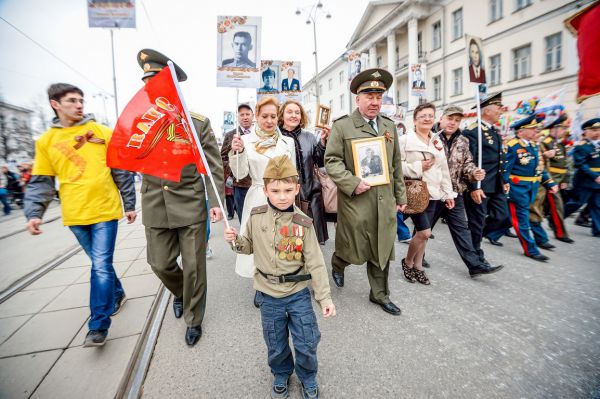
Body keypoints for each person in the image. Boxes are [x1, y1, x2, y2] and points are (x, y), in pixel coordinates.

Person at [24, 83, 136, 347]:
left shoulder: (102, 132)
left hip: (104, 210)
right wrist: (34, 212)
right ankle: (116, 293)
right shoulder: (46, 141)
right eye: (72, 101)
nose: (79, 105)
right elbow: (41, 181)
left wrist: (129, 203)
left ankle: (98, 325)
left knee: (99, 265)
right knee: (101, 265)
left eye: (81, 100)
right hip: (74, 215)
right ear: (55, 104)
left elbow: (121, 172)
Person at [224, 155, 335, 399]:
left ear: (297, 189)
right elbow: (247, 246)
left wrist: (324, 299)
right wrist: (235, 242)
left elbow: (315, 263)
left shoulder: (303, 223)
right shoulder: (256, 215)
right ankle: (281, 372)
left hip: (297, 294)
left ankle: (307, 376)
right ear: (265, 190)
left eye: (287, 190)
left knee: (306, 341)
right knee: (275, 341)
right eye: (275, 190)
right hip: (268, 294)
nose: (282, 196)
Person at [136, 49, 224, 346]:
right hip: (154, 203)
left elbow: (213, 166)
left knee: (195, 266)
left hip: (189, 201)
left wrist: (215, 203)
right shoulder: (137, 122)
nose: (151, 86)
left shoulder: (195, 122)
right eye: (147, 81)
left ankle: (193, 318)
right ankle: (182, 293)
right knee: (160, 264)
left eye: (157, 80)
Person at [325, 68, 407, 316]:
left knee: (381, 245)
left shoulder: (388, 126)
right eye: (369, 96)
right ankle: (339, 263)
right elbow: (332, 161)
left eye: (379, 97)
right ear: (357, 98)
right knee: (353, 246)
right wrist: (351, 182)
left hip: (383, 199)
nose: (374, 102)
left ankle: (380, 294)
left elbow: (395, 165)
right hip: (356, 199)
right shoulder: (343, 126)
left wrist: (401, 196)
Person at [431, 105, 503, 277]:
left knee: (462, 229)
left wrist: (474, 172)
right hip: (433, 192)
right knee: (424, 230)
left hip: (455, 192)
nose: (452, 123)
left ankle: (475, 265)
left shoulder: (463, 140)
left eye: (457, 120)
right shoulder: (429, 137)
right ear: (441, 118)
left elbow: (467, 164)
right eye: (450, 119)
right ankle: (417, 255)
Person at [229, 96, 296, 281]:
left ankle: (282, 276)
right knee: (259, 240)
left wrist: (292, 197)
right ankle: (259, 280)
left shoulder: (287, 142)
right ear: (256, 116)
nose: (269, 121)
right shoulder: (244, 141)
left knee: (281, 239)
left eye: (273, 116)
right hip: (258, 196)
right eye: (264, 116)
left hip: (283, 198)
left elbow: (293, 173)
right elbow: (239, 174)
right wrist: (238, 152)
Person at [399, 103, 456, 285]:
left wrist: (448, 194)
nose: (427, 119)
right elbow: (394, 166)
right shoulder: (405, 140)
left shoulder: (437, 141)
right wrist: (417, 167)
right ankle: (408, 262)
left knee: (423, 235)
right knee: (424, 232)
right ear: (415, 119)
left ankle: (418, 267)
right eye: (423, 116)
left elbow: (444, 169)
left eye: (430, 116)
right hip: (414, 193)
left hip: (434, 194)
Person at [463, 92, 512, 258]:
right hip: (480, 185)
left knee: (503, 217)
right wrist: (473, 187)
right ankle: (476, 255)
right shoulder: (473, 131)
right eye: (498, 108)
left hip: (496, 184)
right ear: (486, 111)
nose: (501, 111)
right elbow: (470, 161)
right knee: (476, 222)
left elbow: (500, 158)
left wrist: (504, 180)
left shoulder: (494, 131)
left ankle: (469, 240)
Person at [504, 114, 558, 261]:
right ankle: (531, 250)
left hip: (531, 188)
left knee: (512, 217)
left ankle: (491, 233)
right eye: (533, 129)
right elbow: (505, 170)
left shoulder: (533, 145)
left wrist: (550, 183)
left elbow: (539, 168)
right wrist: (506, 186)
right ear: (521, 131)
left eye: (536, 128)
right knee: (522, 220)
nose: (536, 131)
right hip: (517, 189)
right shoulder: (513, 146)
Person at [279, 99, 330, 244]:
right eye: (289, 112)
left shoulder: (309, 137)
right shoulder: (276, 137)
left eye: (297, 112)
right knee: (290, 240)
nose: (294, 115)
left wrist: (323, 142)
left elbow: (320, 162)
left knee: (311, 240)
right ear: (282, 115)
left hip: (311, 193)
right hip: (286, 194)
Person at [530, 114, 574, 243]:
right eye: (561, 128)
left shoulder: (559, 145)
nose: (564, 131)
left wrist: (564, 180)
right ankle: (560, 233)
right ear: (553, 129)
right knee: (553, 206)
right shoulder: (545, 143)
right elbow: (539, 162)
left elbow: (564, 164)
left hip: (557, 180)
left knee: (536, 208)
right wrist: (545, 156)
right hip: (547, 180)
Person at [221, 103, 254, 223]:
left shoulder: (258, 133)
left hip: (257, 182)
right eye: (242, 115)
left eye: (247, 114)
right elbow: (223, 157)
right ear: (238, 117)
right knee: (244, 218)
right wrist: (232, 172)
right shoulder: (231, 135)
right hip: (240, 184)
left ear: (253, 115)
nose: (245, 117)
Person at [568, 118, 600, 236]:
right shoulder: (581, 146)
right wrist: (594, 176)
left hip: (597, 181)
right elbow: (580, 164)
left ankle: (598, 229)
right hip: (585, 181)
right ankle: (556, 218)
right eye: (594, 130)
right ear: (586, 132)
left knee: (597, 205)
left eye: (599, 130)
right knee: (577, 203)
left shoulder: (598, 145)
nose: (597, 133)